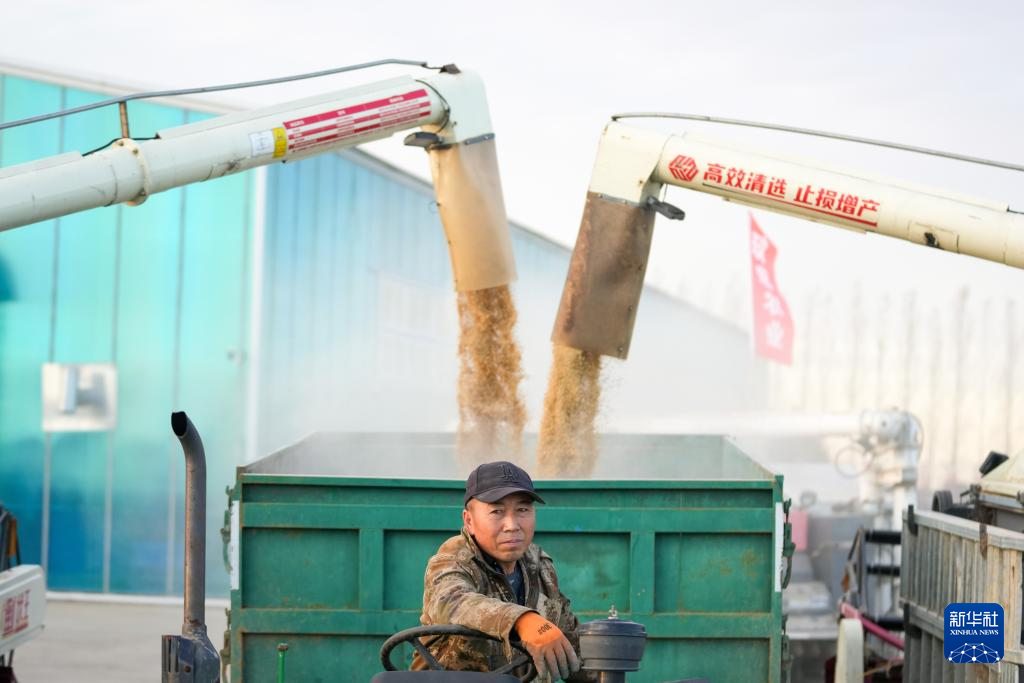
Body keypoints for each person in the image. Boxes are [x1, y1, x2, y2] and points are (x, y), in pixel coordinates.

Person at [412, 460, 583, 680]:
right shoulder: (451, 560)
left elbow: (570, 644)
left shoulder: (540, 566)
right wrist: (524, 621)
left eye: (522, 510)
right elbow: (453, 601)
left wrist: (605, 652)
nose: (512, 525)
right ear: (469, 521)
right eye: (497, 511)